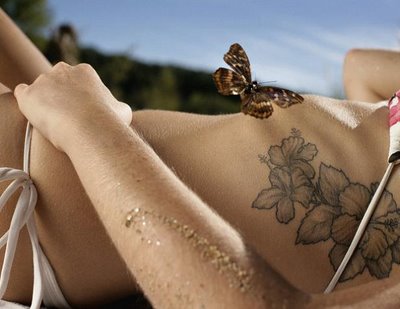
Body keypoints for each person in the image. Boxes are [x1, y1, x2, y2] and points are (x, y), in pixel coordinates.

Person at [1, 7, 400, 308]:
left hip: (35, 204)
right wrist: (85, 114)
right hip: (66, 136)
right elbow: (358, 67)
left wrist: (91, 126)